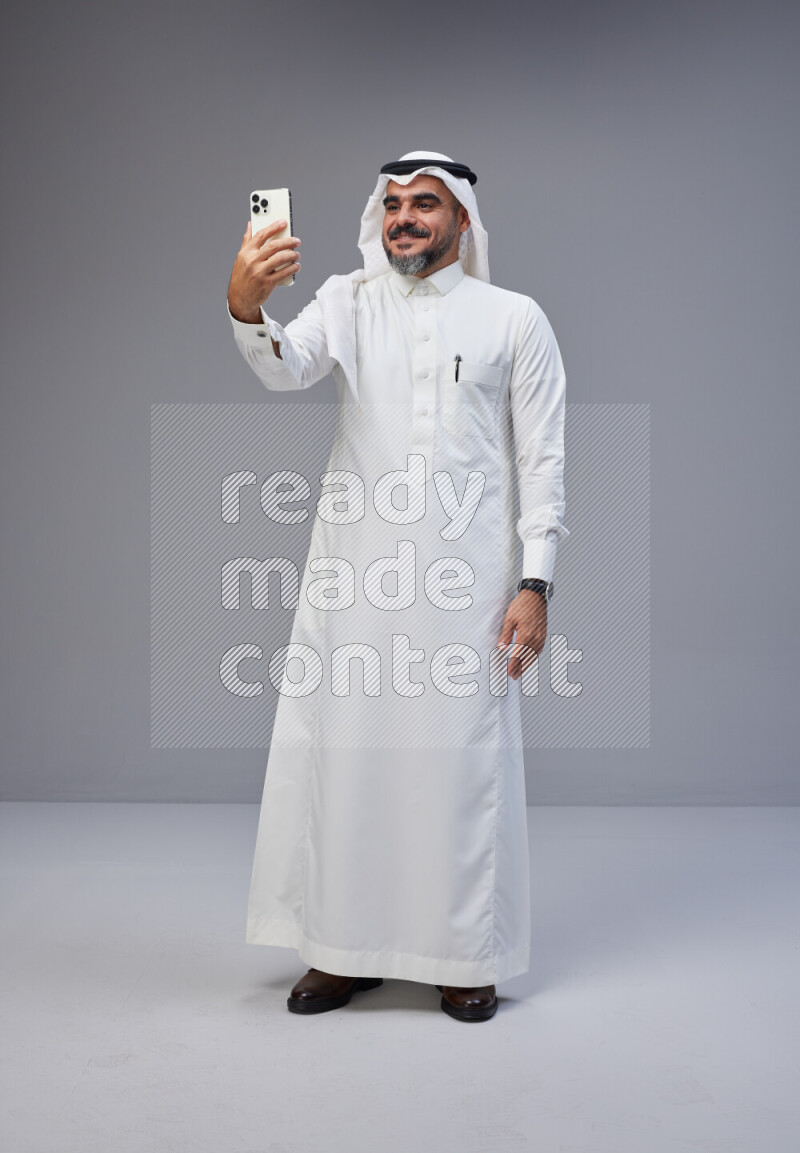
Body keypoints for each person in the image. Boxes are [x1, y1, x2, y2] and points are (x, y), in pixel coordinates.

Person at [226, 151, 568, 1022]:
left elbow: (542, 461)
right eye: (392, 205)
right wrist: (245, 303)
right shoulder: (349, 300)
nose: (405, 218)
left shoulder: (514, 319)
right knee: (349, 762)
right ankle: (340, 952)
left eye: (425, 205)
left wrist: (536, 583)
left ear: (462, 221)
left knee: (458, 767)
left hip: (470, 590)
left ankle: (462, 954)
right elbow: (284, 363)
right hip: (357, 580)